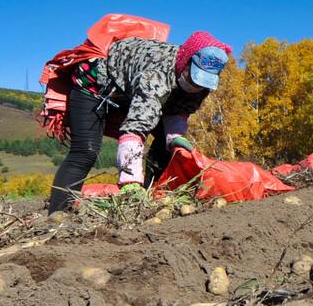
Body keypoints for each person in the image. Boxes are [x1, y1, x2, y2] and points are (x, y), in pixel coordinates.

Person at [47, 31, 231, 212]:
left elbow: (178, 111)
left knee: (167, 148)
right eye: (194, 76)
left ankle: (155, 198)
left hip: (130, 89)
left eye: (203, 81)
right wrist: (130, 180)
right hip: (95, 83)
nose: (196, 85)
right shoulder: (155, 77)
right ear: (186, 61)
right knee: (85, 151)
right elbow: (135, 128)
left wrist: (175, 139)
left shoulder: (202, 86)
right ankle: (58, 214)